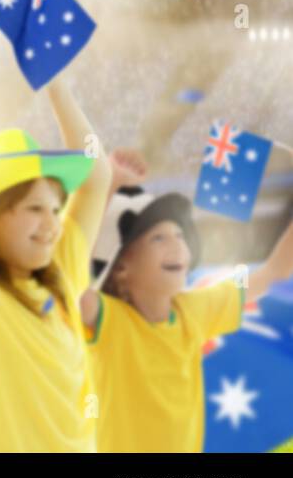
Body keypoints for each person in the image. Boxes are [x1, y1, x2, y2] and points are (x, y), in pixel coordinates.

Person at [0, 79, 112, 452]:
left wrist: (58, 88)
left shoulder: (61, 272)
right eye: (34, 209)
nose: (52, 225)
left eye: (55, 210)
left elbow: (97, 176)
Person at [83, 191, 293, 452]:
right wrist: (108, 182)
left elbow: (275, 272)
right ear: (121, 268)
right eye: (158, 238)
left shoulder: (192, 310)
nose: (177, 245)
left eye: (179, 235)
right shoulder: (110, 320)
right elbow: (74, 286)